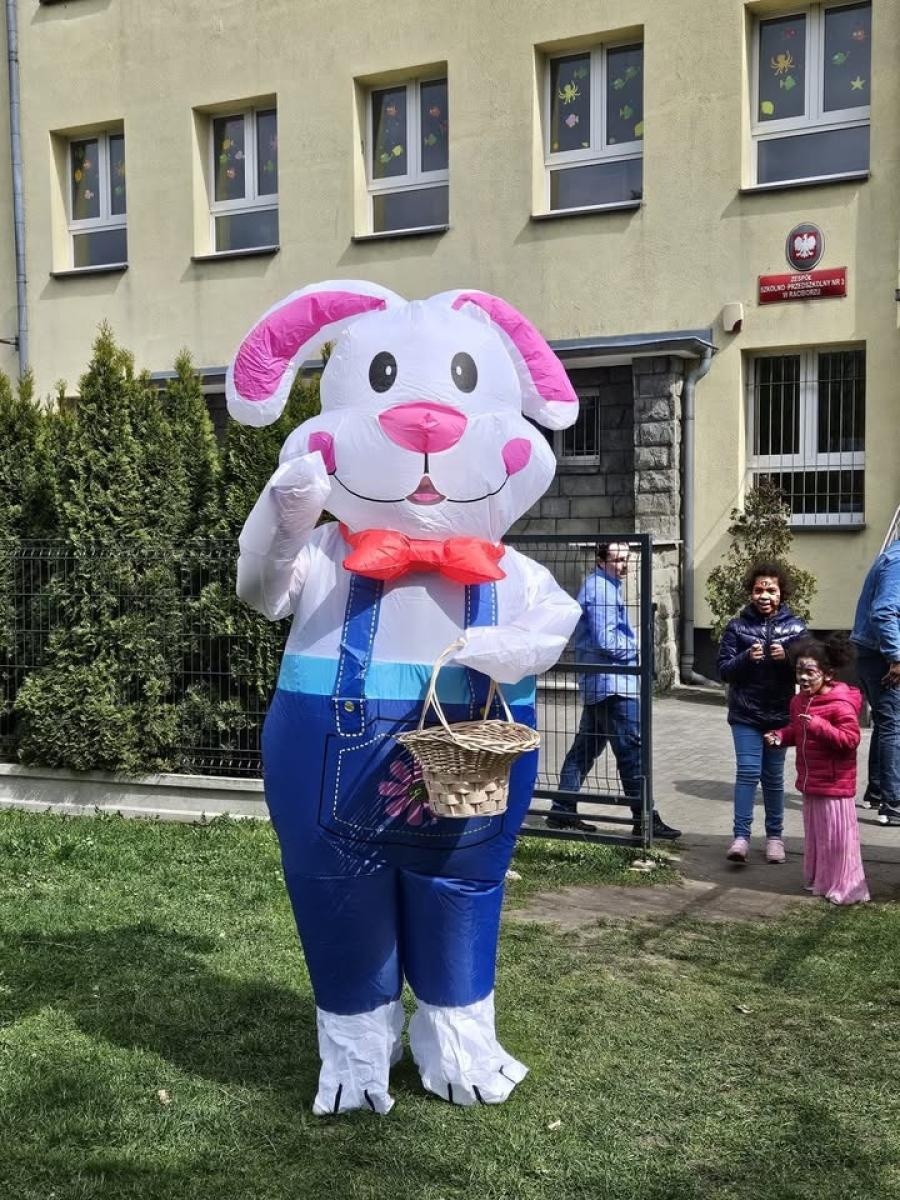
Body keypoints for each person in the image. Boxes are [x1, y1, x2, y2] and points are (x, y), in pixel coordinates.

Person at [552, 542, 681, 840]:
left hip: (603, 682)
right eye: (617, 560)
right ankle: (645, 818)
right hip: (612, 684)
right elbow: (606, 640)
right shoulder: (600, 590)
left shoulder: (604, 585)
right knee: (631, 750)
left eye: (627, 560)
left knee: (584, 750)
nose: (623, 566)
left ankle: (561, 809)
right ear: (600, 560)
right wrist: (636, 648)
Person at [765, 636, 869, 905]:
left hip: (835, 785)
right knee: (819, 838)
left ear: (828, 674)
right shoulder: (799, 701)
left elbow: (850, 740)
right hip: (811, 782)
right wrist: (780, 736)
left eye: (810, 672)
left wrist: (819, 727)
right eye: (799, 671)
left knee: (838, 840)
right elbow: (798, 730)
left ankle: (846, 887)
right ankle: (821, 880)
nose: (803, 678)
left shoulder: (841, 702)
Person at [717, 560, 806, 864]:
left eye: (771, 589)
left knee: (773, 778)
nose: (764, 595)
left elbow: (809, 674)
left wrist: (788, 658)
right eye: (758, 590)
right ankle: (740, 838)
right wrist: (744, 657)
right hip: (745, 715)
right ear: (750, 593)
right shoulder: (737, 626)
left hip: (779, 716)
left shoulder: (796, 627)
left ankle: (775, 839)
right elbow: (724, 670)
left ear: (782, 593)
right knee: (747, 773)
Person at [850, 539, 900, 825]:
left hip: (871, 651)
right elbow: (884, 611)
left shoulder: (891, 556)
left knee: (885, 723)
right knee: (894, 724)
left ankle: (879, 792)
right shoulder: (898, 562)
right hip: (880, 655)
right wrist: (896, 657)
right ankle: (893, 804)